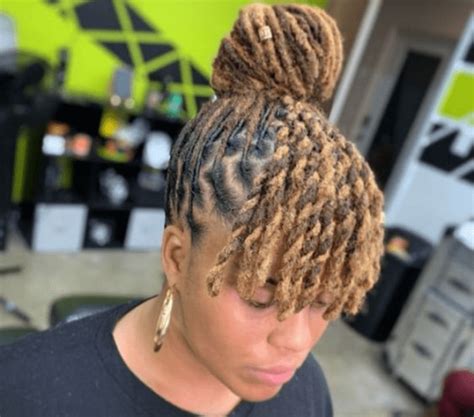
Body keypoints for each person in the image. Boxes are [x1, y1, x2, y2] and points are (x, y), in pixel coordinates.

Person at [0, 3, 385, 417]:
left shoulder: (307, 391)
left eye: (323, 302)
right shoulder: (24, 393)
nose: (297, 342)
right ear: (176, 258)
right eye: (260, 296)